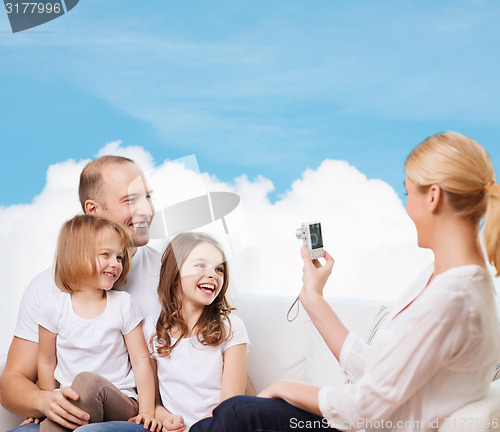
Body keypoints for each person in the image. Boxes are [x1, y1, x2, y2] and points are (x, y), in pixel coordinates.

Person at [190, 131, 500, 432]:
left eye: (408, 193)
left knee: (238, 412)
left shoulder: (454, 297)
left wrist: (284, 388)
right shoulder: (444, 278)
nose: (407, 207)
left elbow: (364, 407)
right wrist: (313, 297)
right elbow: (380, 371)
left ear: (433, 196)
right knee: (234, 413)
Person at [0, 156, 161, 431]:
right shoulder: (46, 290)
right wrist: (45, 400)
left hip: (130, 413)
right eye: (130, 200)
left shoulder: (171, 275)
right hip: (73, 411)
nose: (147, 210)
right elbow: (12, 383)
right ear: (93, 210)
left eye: (147, 197)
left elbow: (218, 348)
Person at [34, 215, 159, 432]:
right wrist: (49, 404)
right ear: (76, 256)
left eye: (119, 257)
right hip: (75, 403)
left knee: (87, 382)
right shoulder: (53, 308)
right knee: (73, 398)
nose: (116, 264)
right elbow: (46, 362)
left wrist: (147, 412)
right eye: (106, 255)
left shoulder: (122, 304)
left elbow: (141, 361)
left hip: (120, 401)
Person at [144, 232, 249, 431]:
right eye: (201, 265)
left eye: (219, 269)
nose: (213, 274)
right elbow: (152, 403)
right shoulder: (151, 329)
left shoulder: (231, 327)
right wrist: (167, 419)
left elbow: (230, 405)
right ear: (175, 275)